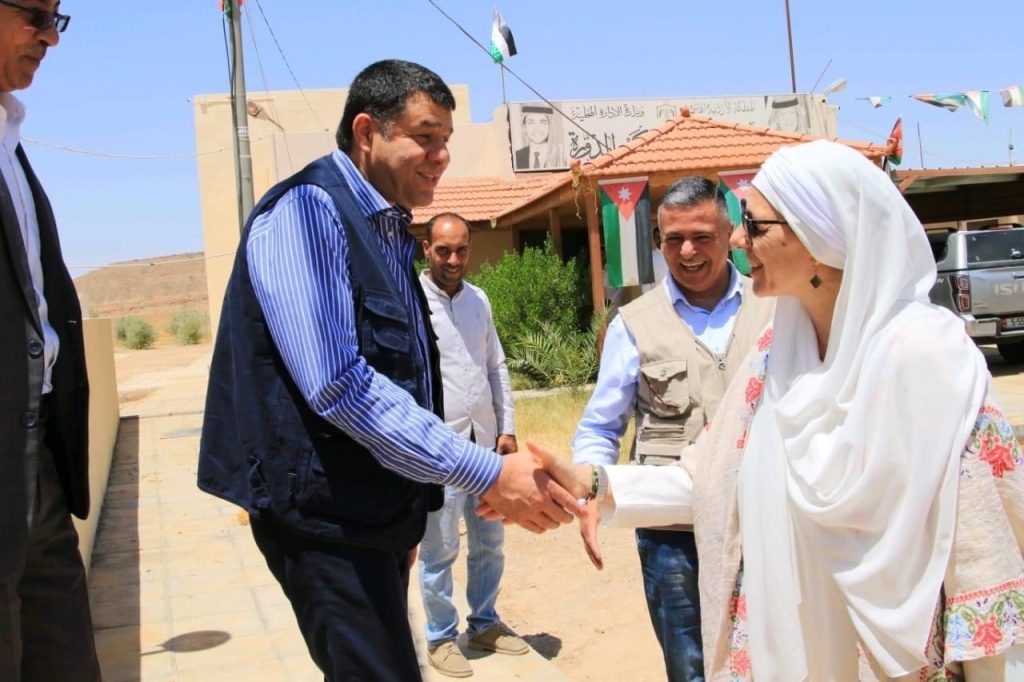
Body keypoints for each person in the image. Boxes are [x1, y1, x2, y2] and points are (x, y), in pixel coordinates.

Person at [542, 140, 1024, 680]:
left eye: (754, 225)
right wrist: (594, 482)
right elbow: (709, 476)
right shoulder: (776, 354)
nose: (739, 240)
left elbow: (982, 556)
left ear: (820, 238)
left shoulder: (930, 360)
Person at [197, 60, 576, 682]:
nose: (441, 156)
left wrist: (410, 507)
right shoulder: (309, 211)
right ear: (367, 132)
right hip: (324, 519)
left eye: (446, 140)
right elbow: (338, 383)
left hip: (372, 513)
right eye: (425, 137)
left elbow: (405, 369)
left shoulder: (387, 227)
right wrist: (484, 471)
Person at [572, 177, 774, 682]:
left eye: (702, 236)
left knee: (776, 658)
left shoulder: (775, 306)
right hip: (672, 536)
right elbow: (601, 425)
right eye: (673, 238)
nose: (687, 251)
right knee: (691, 667)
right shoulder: (633, 323)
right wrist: (589, 491)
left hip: (768, 522)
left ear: (729, 234)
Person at [0, 4, 101, 681]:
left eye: (57, 17)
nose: (49, 37)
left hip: (38, 463)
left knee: (62, 654)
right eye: (34, 14)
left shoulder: (12, 144)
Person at [417, 212, 528, 678]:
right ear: (427, 249)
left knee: (490, 543)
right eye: (444, 250)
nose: (454, 259)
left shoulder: (478, 299)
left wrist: (507, 427)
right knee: (439, 550)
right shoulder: (412, 301)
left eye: (461, 250)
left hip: (485, 447)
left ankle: (484, 623)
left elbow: (495, 365)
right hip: (438, 449)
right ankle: (441, 637)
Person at [513, 104, 567, 170]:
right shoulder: (516, 156)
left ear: (549, 126)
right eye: (531, 122)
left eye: (542, 122)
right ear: (524, 127)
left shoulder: (560, 154)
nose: (537, 128)